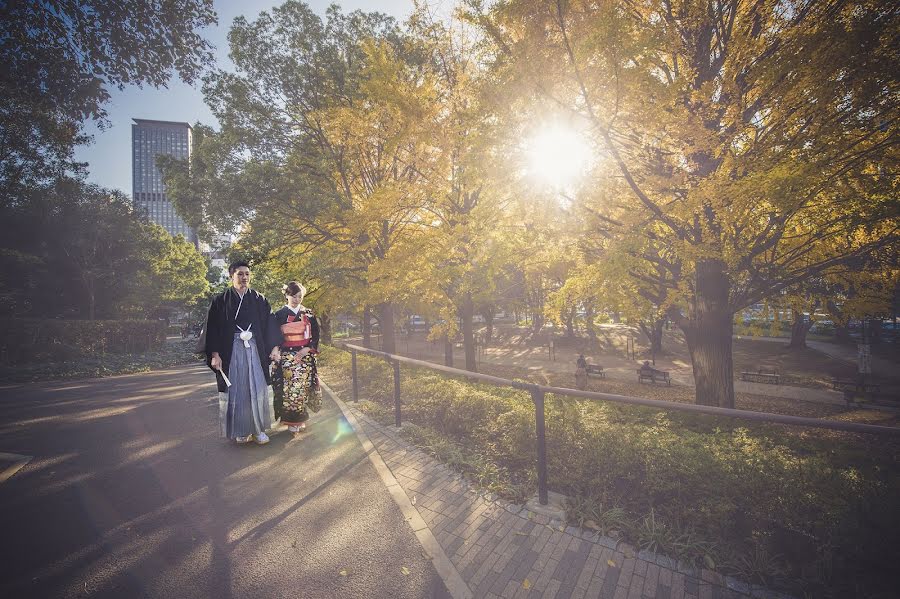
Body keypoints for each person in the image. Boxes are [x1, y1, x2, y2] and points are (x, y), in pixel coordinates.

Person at [202, 260, 283, 445]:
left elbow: (270, 323)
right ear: (231, 276)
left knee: (258, 386)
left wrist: (275, 347)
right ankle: (242, 429)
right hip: (232, 349)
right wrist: (215, 354)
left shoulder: (259, 299)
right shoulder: (220, 300)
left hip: (255, 347)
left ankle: (259, 429)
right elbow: (212, 328)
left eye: (247, 273)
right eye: (240, 274)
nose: (244, 277)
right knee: (237, 388)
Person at [273, 281, 322, 434]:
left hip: (305, 356)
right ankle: (291, 420)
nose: (296, 299)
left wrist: (307, 349)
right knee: (291, 388)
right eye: (293, 296)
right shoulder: (279, 315)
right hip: (288, 356)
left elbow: (316, 334)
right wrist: (276, 350)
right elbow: (274, 336)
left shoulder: (308, 313)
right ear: (287, 295)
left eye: (299, 296)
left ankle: (300, 418)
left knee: (303, 388)